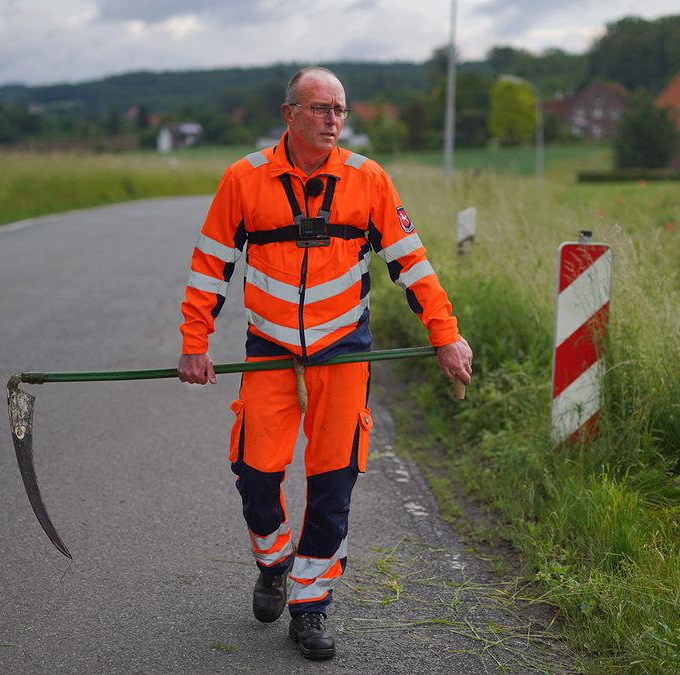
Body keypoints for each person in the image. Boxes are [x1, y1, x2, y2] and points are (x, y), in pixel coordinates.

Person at [177, 66, 472, 661]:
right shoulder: (244, 178)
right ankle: (272, 560)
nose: (332, 120)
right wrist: (194, 340)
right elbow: (211, 263)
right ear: (289, 115)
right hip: (270, 347)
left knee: (333, 481)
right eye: (318, 109)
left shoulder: (369, 180)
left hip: (343, 346)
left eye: (339, 109)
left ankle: (310, 608)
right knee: (256, 471)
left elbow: (410, 264)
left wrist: (446, 335)